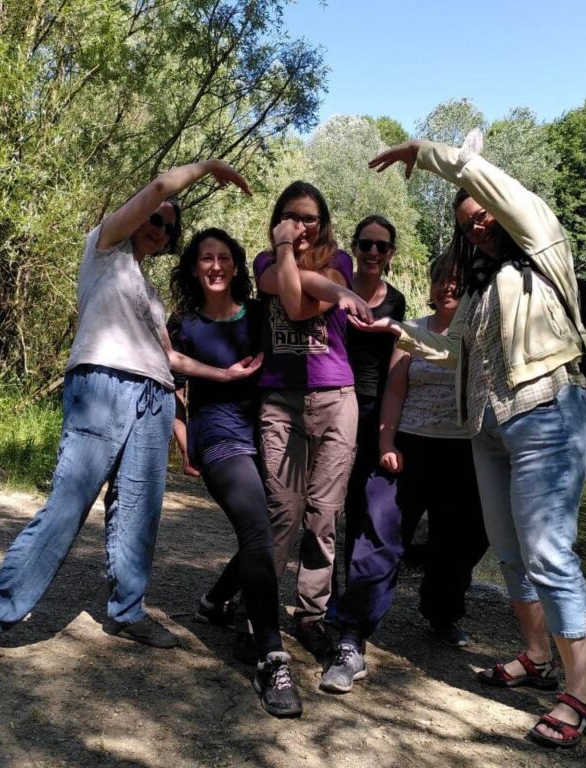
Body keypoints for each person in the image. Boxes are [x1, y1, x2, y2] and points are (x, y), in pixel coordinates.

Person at [0, 160, 257, 670]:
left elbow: (169, 357)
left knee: (140, 509)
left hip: (155, 399)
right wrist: (207, 167)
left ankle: (127, 609)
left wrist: (223, 376)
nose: (158, 228)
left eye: (168, 226)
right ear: (137, 214)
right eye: (153, 218)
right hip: (102, 384)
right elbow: (161, 186)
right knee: (68, 505)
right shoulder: (105, 248)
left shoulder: (152, 293)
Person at [358, 129, 586, 749]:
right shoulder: (480, 288)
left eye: (482, 209)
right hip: (489, 429)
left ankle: (581, 694)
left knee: (550, 552)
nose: (478, 222)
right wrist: (397, 334)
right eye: (466, 220)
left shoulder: (543, 246)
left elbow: (491, 185)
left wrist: (431, 156)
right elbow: (450, 350)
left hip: (547, 408)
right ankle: (537, 655)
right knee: (509, 551)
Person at [321, 257, 488, 694]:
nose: (449, 285)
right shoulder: (410, 330)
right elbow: (395, 390)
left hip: (465, 452)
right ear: (430, 289)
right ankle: (351, 638)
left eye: (458, 279)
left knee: (462, 541)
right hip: (408, 447)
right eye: (441, 280)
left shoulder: (482, 335)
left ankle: (441, 612)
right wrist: (386, 444)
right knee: (378, 535)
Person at [168, 228, 302, 718]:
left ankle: (214, 601)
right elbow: (172, 393)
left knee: (268, 528)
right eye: (207, 258)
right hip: (218, 436)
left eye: (225, 257)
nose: (216, 266)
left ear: (236, 264)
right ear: (193, 266)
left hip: (267, 431)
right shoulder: (183, 324)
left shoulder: (260, 314)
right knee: (258, 527)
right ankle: (271, 656)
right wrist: (187, 448)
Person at [254, 180, 372, 659]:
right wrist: (284, 247)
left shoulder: (340, 261)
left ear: (323, 224)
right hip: (281, 401)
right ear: (279, 218)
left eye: (310, 219)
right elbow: (293, 301)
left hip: (336, 400)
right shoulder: (264, 261)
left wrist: (340, 288)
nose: (301, 226)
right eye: (292, 216)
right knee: (282, 513)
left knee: (323, 517)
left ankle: (310, 616)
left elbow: (315, 291)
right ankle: (259, 614)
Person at [337, 216, 406, 583]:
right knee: (326, 502)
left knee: (359, 503)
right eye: (366, 244)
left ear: (391, 253)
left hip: (371, 407)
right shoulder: (336, 289)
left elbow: (398, 362)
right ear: (355, 247)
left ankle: (348, 590)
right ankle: (319, 593)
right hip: (333, 401)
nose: (373, 252)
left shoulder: (396, 301)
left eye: (382, 246)